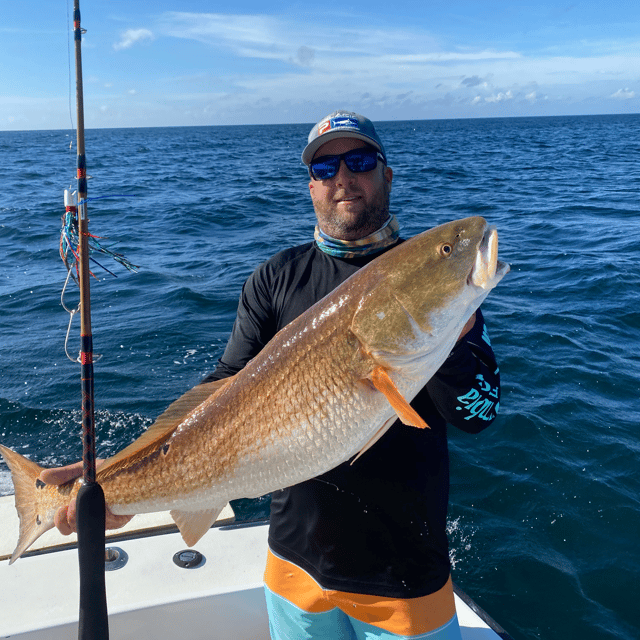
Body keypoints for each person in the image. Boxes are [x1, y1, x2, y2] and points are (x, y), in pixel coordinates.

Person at [43, 111, 501, 640]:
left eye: (359, 161)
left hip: (403, 581)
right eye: (326, 168)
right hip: (292, 569)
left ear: (387, 174)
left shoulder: (436, 293)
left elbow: (479, 415)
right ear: (311, 187)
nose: (343, 179)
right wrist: (120, 476)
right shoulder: (274, 279)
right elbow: (222, 390)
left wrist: (457, 335)